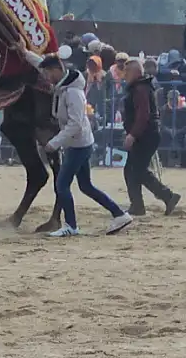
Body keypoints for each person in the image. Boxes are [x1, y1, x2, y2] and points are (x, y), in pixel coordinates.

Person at [40, 55, 132, 236]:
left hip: (78, 145)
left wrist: (54, 143)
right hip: (80, 143)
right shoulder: (66, 87)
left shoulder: (72, 93)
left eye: (48, 73)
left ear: (57, 70)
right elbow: (38, 62)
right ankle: (119, 214)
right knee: (86, 186)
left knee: (62, 185)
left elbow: (75, 124)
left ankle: (71, 225)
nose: (46, 77)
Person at [121, 58, 181, 216]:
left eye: (127, 72)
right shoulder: (140, 87)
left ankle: (166, 196)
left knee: (137, 170)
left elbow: (143, 115)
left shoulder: (140, 89)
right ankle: (139, 205)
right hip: (146, 134)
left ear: (135, 72)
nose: (124, 75)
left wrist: (132, 135)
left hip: (146, 135)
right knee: (132, 170)